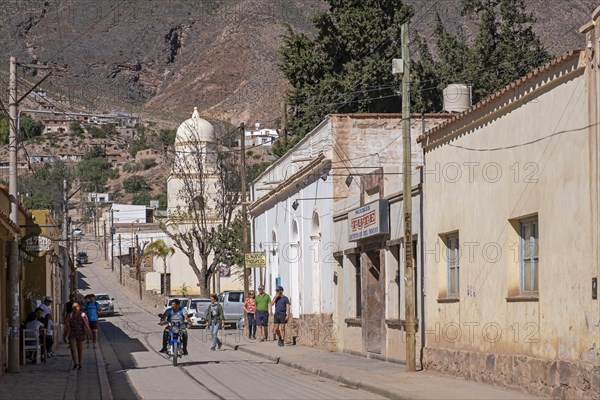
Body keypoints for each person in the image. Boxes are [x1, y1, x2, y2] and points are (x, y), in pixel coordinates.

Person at [63, 302, 93, 370]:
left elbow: (87, 325)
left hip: (81, 333)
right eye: (73, 307)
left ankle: (80, 364)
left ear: (79, 307)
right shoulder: (70, 315)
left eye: (76, 307)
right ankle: (75, 363)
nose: (75, 308)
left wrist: (89, 335)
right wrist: (64, 335)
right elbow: (67, 326)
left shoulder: (83, 315)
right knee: (73, 349)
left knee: (80, 350)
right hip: (72, 333)